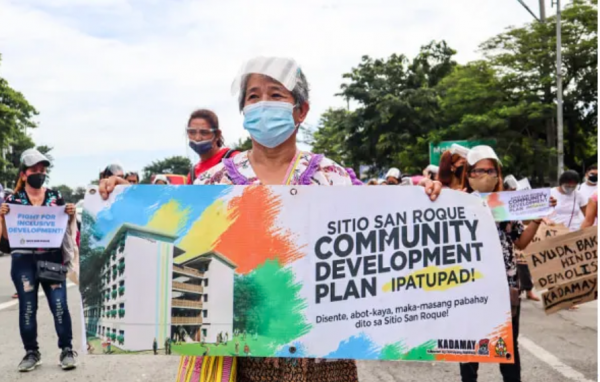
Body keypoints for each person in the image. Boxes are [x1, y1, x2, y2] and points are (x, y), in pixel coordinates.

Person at [195, 55, 442, 382]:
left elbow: (378, 235)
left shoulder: (332, 178)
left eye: (277, 95)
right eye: (253, 96)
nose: (263, 103)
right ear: (243, 110)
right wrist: (109, 194)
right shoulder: (212, 185)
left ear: (301, 110)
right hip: (240, 358)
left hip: (325, 361)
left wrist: (423, 199)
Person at [459, 145, 544, 382]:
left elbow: (521, 242)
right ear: (469, 174)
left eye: (491, 170)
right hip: (470, 287)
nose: (485, 175)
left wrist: (537, 218)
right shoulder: (456, 204)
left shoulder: (505, 207)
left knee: (508, 346)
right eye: (479, 170)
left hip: (505, 287)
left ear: (498, 174)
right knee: (469, 346)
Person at [0, 149, 78, 372]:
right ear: (24, 174)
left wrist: (70, 213)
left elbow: (67, 229)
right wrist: (2, 217)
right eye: (35, 170)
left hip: (52, 260)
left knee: (60, 305)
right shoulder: (12, 201)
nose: (40, 174)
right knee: (27, 308)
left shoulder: (55, 197)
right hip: (23, 262)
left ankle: (67, 350)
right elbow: (5, 242)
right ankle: (31, 353)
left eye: (43, 171)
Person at [186, 109, 240, 184]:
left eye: (204, 132)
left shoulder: (235, 159)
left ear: (217, 134)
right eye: (192, 132)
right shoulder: (192, 176)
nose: (197, 138)